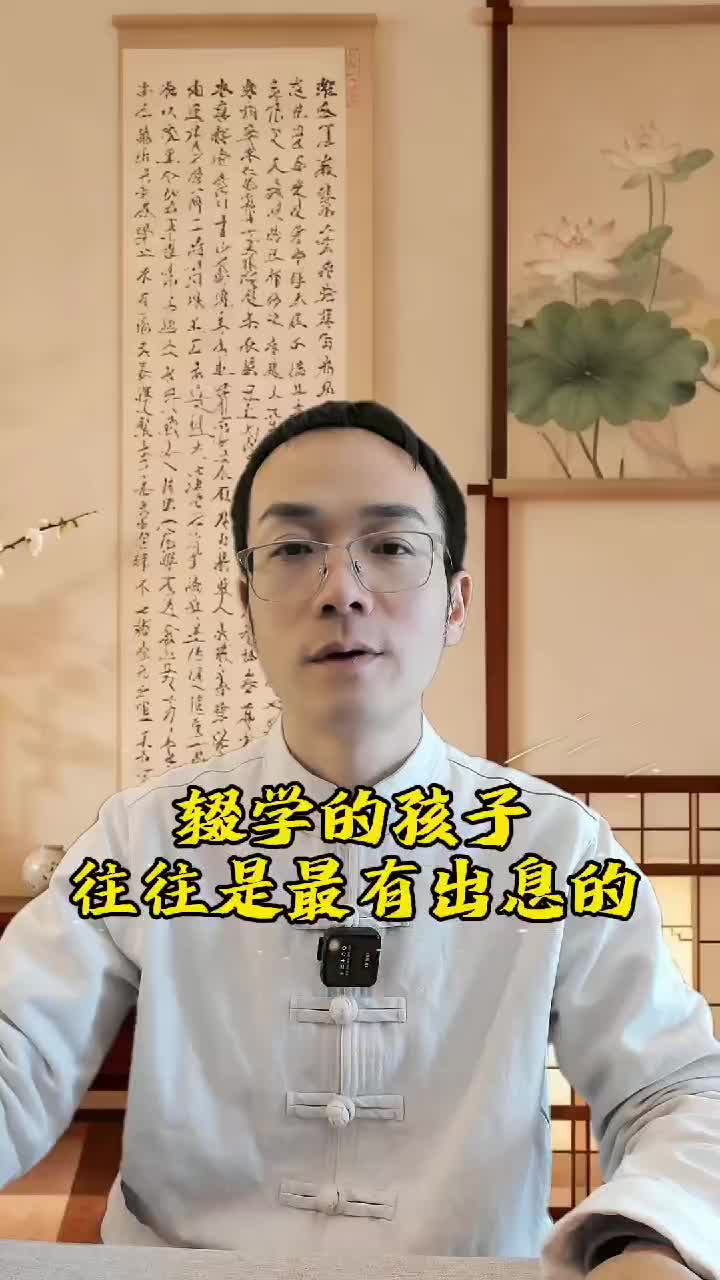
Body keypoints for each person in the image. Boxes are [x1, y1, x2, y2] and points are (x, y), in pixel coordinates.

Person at [0, 400, 717, 1280]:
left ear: (456, 603)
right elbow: (14, 1047)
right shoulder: (145, 838)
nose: (341, 590)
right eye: (293, 550)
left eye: (391, 546)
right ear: (246, 605)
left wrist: (650, 1240)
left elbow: (677, 1088)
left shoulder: (557, 848)